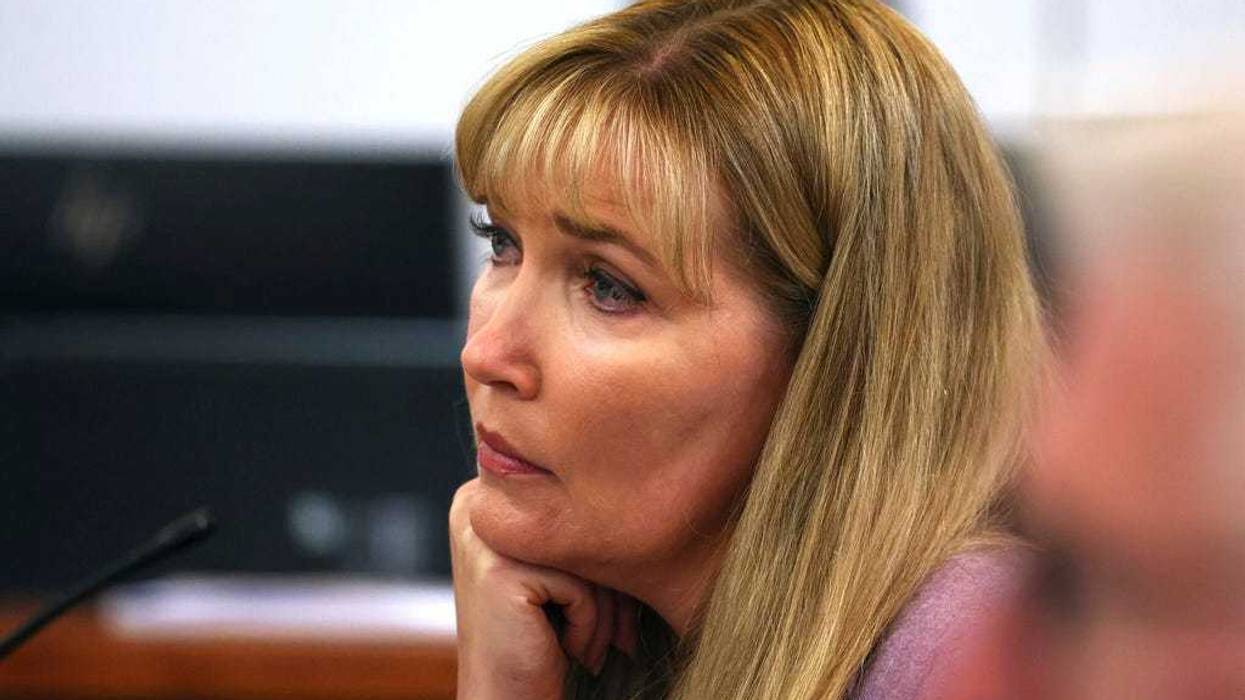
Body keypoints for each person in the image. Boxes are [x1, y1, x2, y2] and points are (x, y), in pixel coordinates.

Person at [448, 1, 1044, 698]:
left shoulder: (974, 653)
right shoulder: (632, 645)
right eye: (502, 244)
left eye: (609, 286)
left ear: (834, 353)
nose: (486, 355)